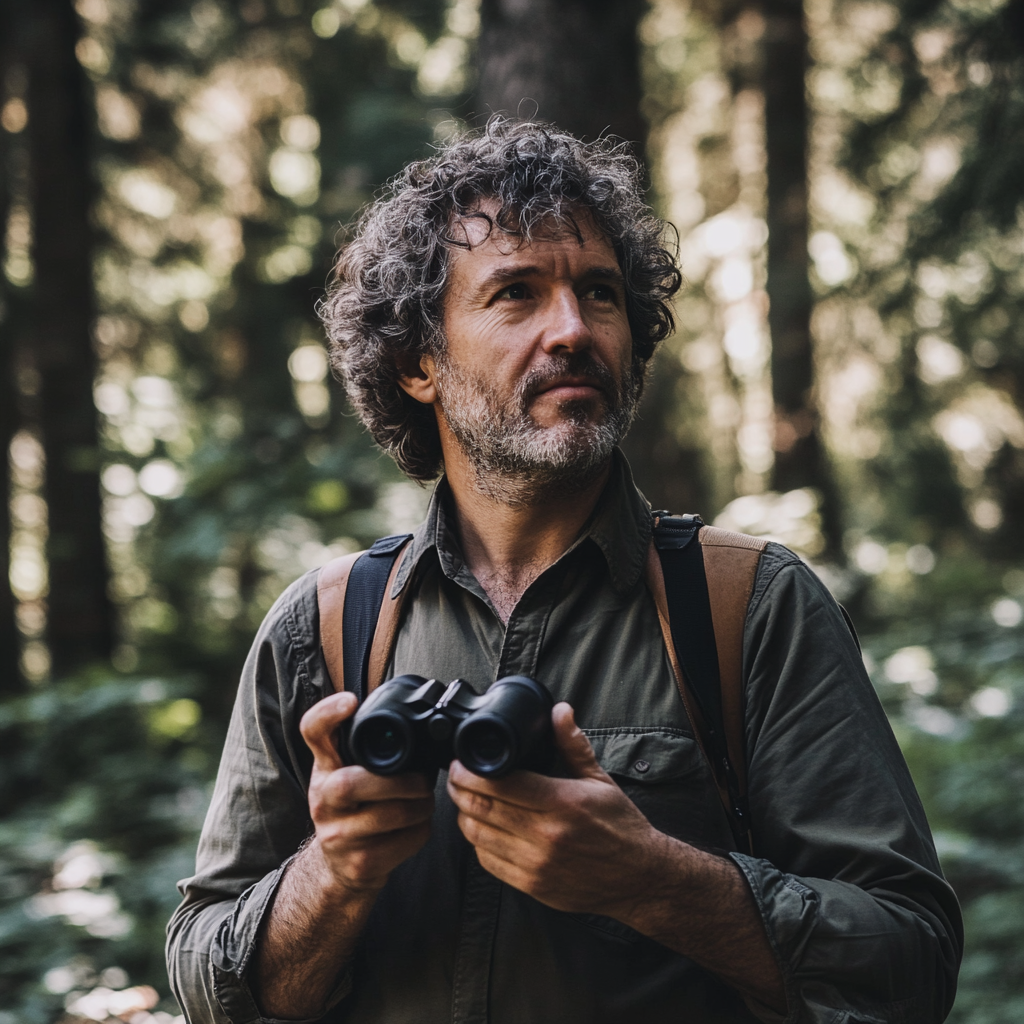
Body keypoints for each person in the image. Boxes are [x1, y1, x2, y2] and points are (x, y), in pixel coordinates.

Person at [167, 118, 962, 1024]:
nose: (574, 329)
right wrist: (335, 874)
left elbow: (911, 962)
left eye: (601, 293)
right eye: (515, 294)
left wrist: (651, 880)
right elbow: (205, 980)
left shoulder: (748, 606)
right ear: (418, 361)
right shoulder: (324, 628)